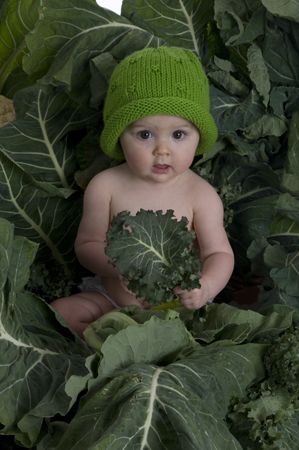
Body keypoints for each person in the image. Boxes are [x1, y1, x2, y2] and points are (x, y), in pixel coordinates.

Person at [51, 47, 234, 338]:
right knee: (62, 312)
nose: (162, 150)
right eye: (144, 134)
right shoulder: (106, 186)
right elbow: (86, 247)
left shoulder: (201, 195)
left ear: (199, 137)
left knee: (210, 332)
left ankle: (119, 344)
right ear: (119, 137)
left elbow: (219, 253)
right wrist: (117, 267)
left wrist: (206, 287)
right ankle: (115, 339)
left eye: (178, 135)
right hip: (112, 302)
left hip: (177, 310)